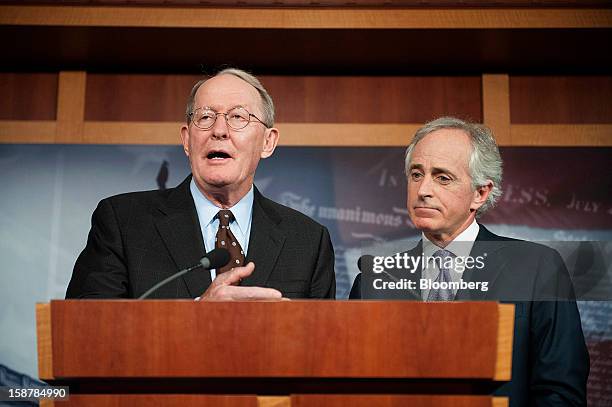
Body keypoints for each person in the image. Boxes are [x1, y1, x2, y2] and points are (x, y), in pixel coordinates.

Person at [350, 117, 589, 406]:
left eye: (442, 177)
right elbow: (352, 386)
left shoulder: (539, 267)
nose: (423, 190)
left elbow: (560, 393)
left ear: (480, 193)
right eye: (416, 174)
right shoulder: (374, 279)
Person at [66, 68, 335, 300]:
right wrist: (197, 311)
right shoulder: (123, 222)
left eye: (238, 117)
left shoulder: (308, 240)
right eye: (205, 117)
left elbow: (324, 349)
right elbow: (84, 331)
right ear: (186, 140)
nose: (219, 130)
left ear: (268, 142)